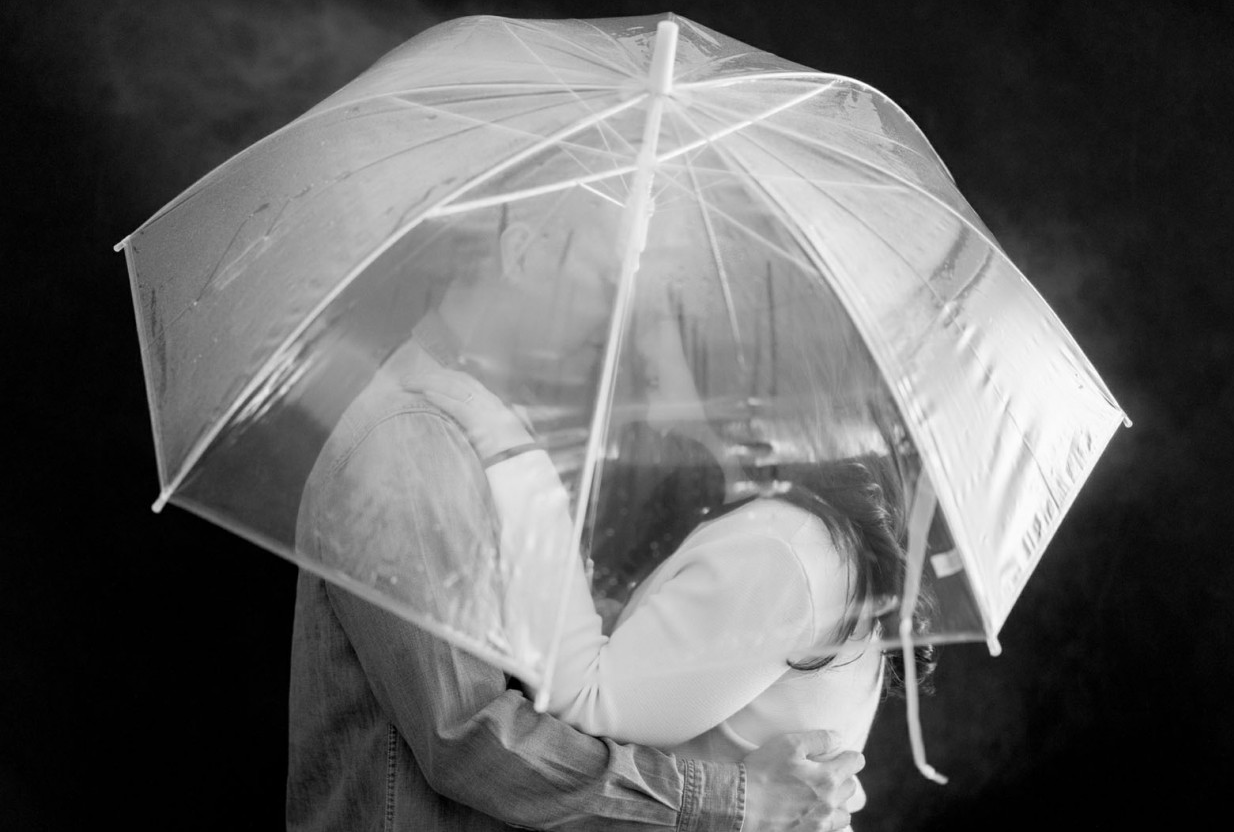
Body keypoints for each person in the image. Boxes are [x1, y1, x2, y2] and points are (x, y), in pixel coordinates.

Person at [287, 189, 867, 832]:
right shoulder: (414, 437)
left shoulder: (494, 426)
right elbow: (468, 737)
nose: (621, 318)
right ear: (524, 254)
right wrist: (734, 800)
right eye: (607, 281)